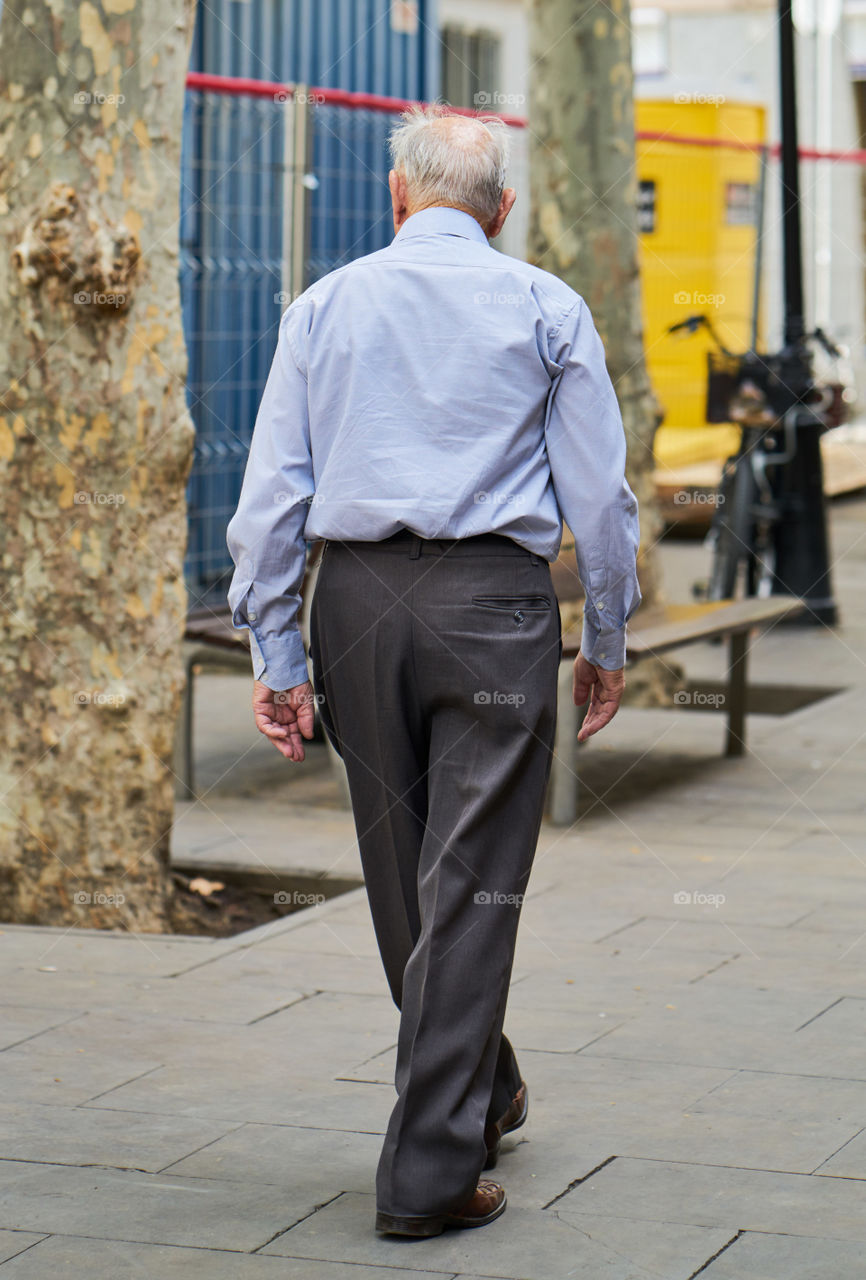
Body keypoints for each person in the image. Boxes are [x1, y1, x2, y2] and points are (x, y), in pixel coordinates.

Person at [226, 105, 641, 1238]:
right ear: (499, 209)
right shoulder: (546, 305)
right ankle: (425, 1175)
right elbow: (597, 500)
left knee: (406, 871)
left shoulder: (323, 306)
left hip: (354, 604)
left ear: (396, 198)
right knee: (473, 882)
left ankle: (482, 1085)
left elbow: (273, 496)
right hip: (491, 611)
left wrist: (273, 644)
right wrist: (604, 633)